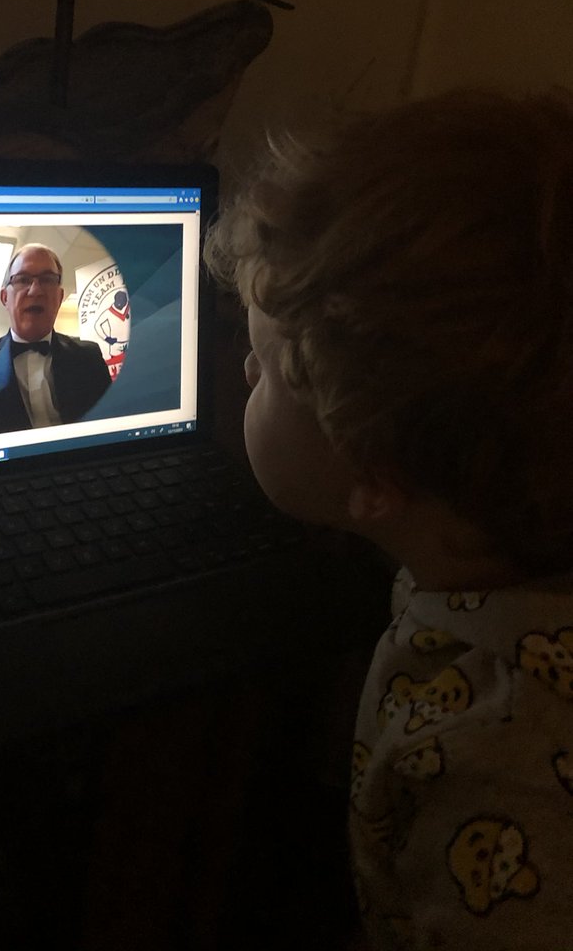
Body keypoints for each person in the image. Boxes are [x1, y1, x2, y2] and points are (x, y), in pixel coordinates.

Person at [205, 89, 573, 949]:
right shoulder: (493, 533)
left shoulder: (502, 777)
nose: (243, 375)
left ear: (374, 472)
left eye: (260, 363)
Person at [0, 242, 111, 434]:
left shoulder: (89, 357)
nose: (35, 291)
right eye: (23, 280)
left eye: (47, 279)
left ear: (59, 297)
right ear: (5, 298)